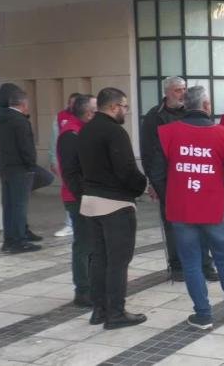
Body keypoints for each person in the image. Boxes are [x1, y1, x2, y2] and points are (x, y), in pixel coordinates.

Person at [150, 86, 224, 330]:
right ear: (206, 106)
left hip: (181, 208)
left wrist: (168, 197)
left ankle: (203, 315)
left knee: (191, 261)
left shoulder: (166, 133)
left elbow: (157, 173)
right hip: (212, 208)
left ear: (186, 105)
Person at [78, 87, 147, 329]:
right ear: (114, 107)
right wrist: (142, 186)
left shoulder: (85, 130)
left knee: (99, 259)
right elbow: (127, 170)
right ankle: (116, 313)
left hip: (90, 202)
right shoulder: (115, 132)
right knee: (118, 261)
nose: (125, 112)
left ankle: (99, 310)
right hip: (116, 204)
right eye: (125, 107)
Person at [141, 76, 218, 282]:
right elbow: (148, 152)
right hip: (168, 179)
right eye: (177, 90)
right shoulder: (154, 116)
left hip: (194, 176)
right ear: (167, 92)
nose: (183, 93)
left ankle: (205, 264)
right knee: (173, 225)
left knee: (201, 222)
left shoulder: (192, 112)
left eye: (184, 89)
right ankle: (177, 266)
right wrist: (153, 182)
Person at [0, 84, 44, 253]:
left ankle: (9, 240)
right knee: (19, 206)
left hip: (3, 167)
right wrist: (30, 165)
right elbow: (26, 148)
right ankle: (19, 241)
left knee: (9, 205)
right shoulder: (20, 121)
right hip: (20, 168)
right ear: (22, 104)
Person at [57, 94, 96, 307]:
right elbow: (72, 172)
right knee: (83, 244)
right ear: (87, 112)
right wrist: (84, 197)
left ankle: (90, 285)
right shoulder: (71, 134)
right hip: (77, 197)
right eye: (95, 109)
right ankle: (82, 290)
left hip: (85, 195)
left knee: (90, 243)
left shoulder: (81, 130)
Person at [51, 92, 83, 238]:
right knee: (69, 192)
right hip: (65, 162)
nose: (72, 105)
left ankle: (74, 223)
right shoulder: (60, 117)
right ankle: (69, 224)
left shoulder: (85, 120)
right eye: (70, 102)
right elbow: (54, 140)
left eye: (75, 102)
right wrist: (53, 159)